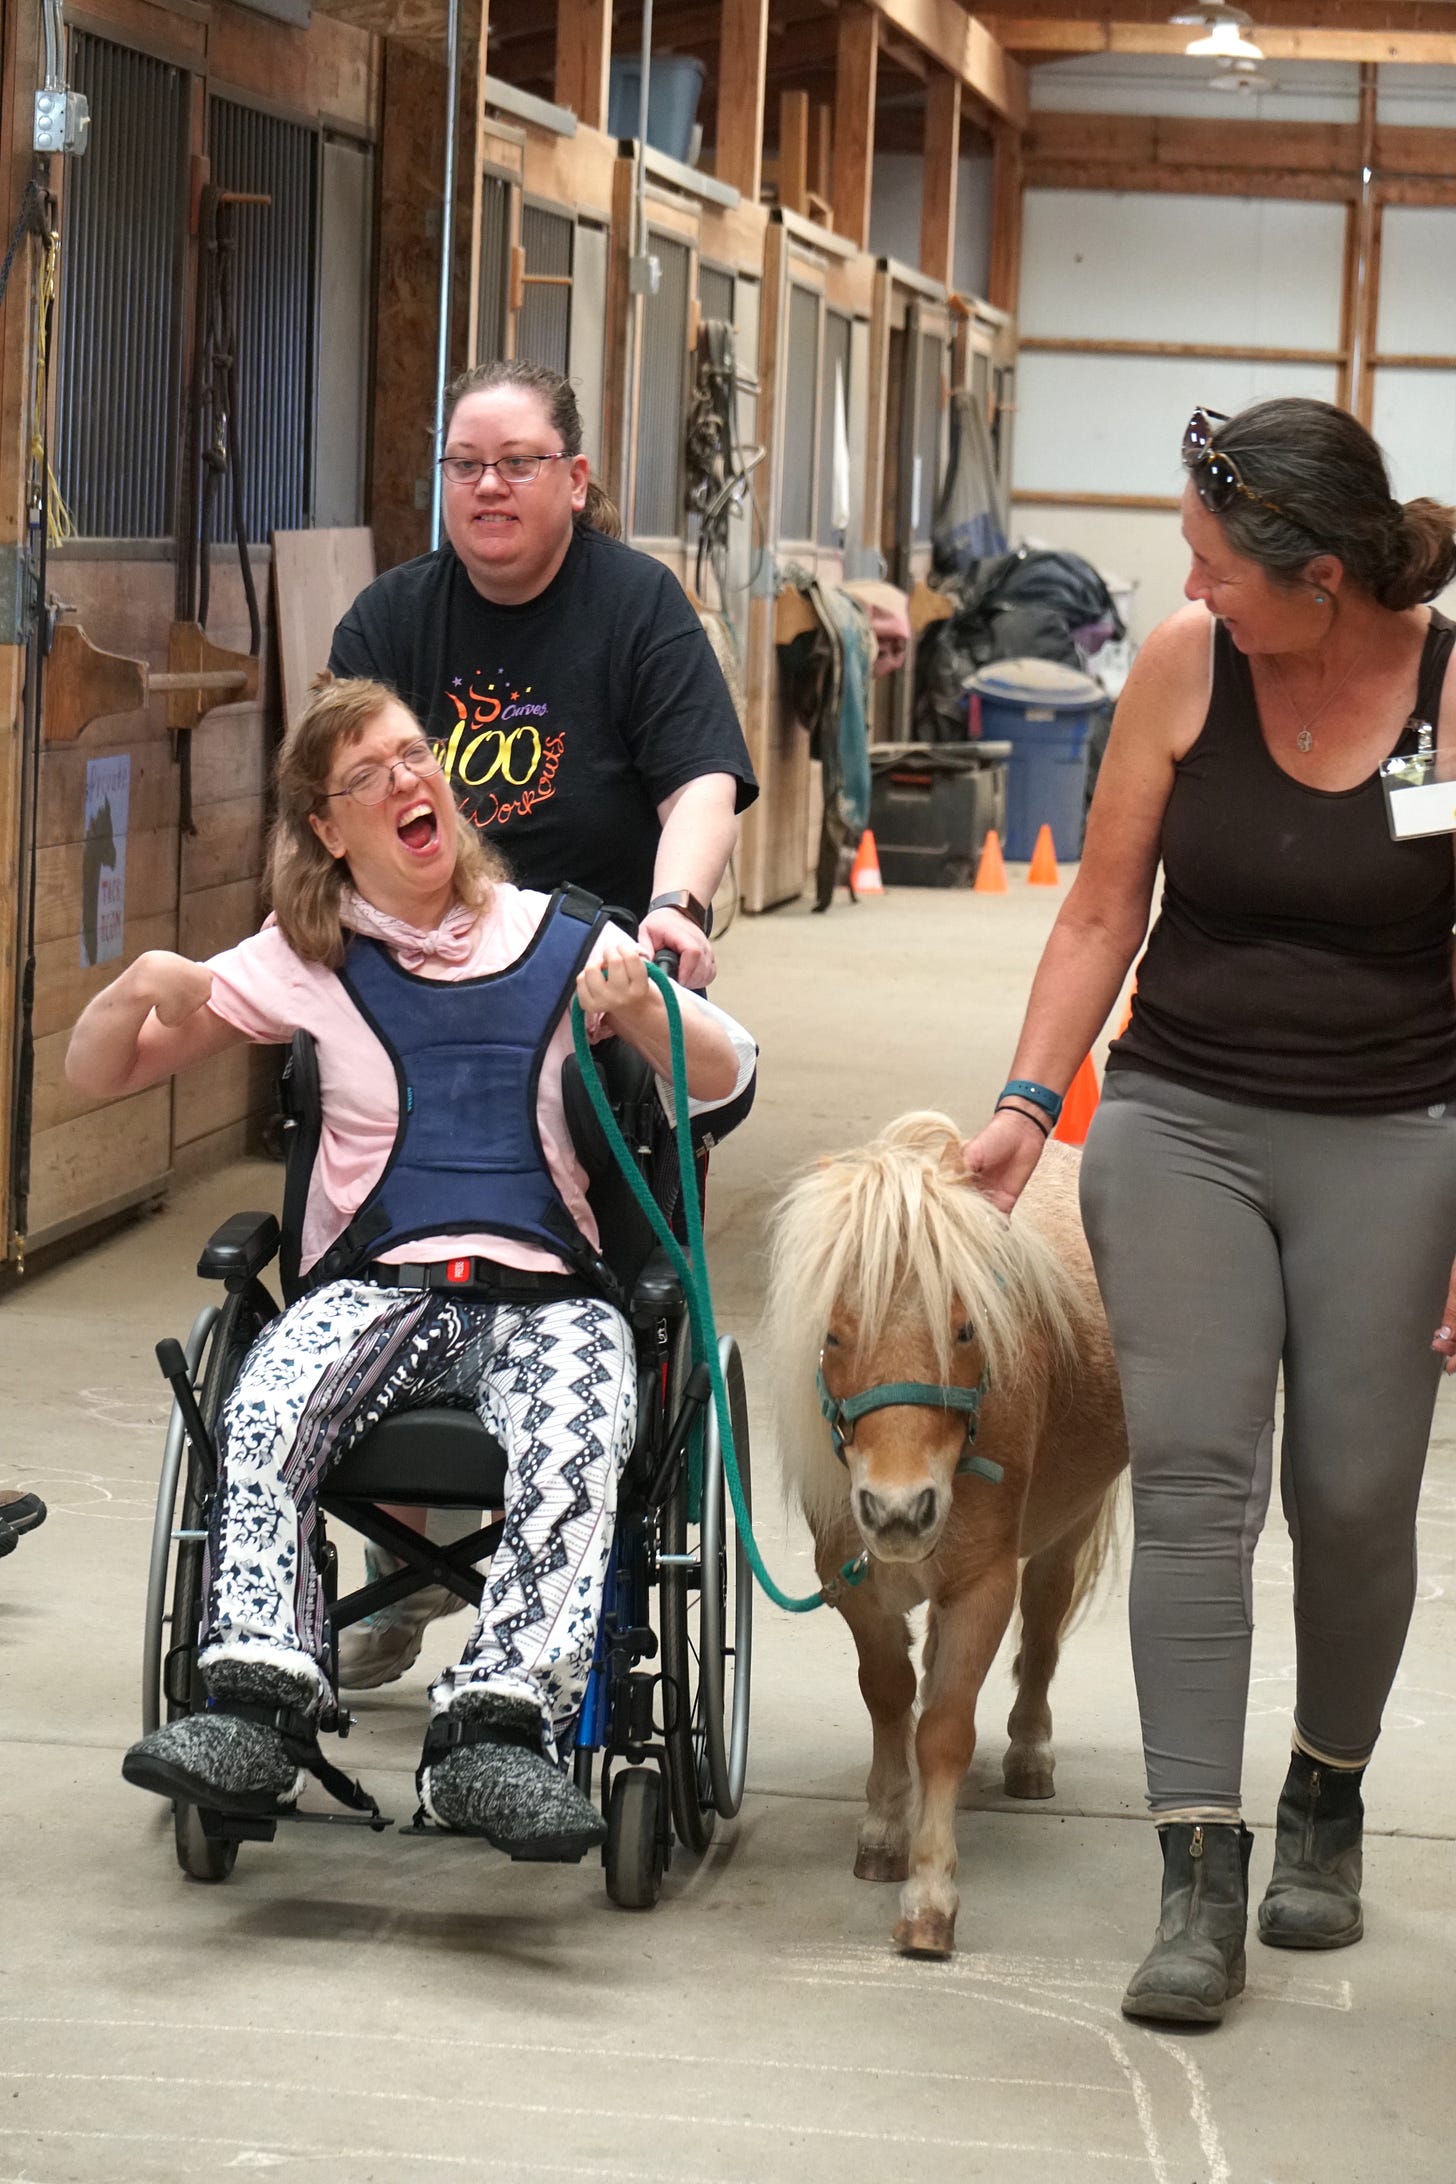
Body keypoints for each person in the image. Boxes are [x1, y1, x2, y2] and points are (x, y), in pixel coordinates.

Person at [67, 678, 755, 1860]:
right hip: (374, 1290)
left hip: (544, 1292)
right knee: (268, 1404)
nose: (405, 781)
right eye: (366, 775)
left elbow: (730, 1075)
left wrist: (645, 1011)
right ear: (329, 831)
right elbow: (98, 1076)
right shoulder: (302, 959)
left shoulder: (559, 931)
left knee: (585, 1427)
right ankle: (257, 1699)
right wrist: (140, 984)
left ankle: (496, 1727)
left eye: (413, 756)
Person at [962, 397, 1456, 2027]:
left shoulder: (1451, 693)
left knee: (1359, 1491)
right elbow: (1102, 902)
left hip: (1392, 1128)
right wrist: (1030, 1100)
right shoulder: (1183, 665)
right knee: (1190, 1487)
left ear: (1320, 573)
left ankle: (1326, 1785)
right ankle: (1196, 1869)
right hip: (1181, 1118)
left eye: (1215, 564)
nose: (1191, 587)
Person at [328, 356, 757, 992]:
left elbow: (700, 783)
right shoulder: (386, 619)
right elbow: (330, 797)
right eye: (465, 464)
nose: (489, 484)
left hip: (602, 971)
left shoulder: (639, 604)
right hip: (417, 968)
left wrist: (676, 907)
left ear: (576, 481)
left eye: (519, 462)